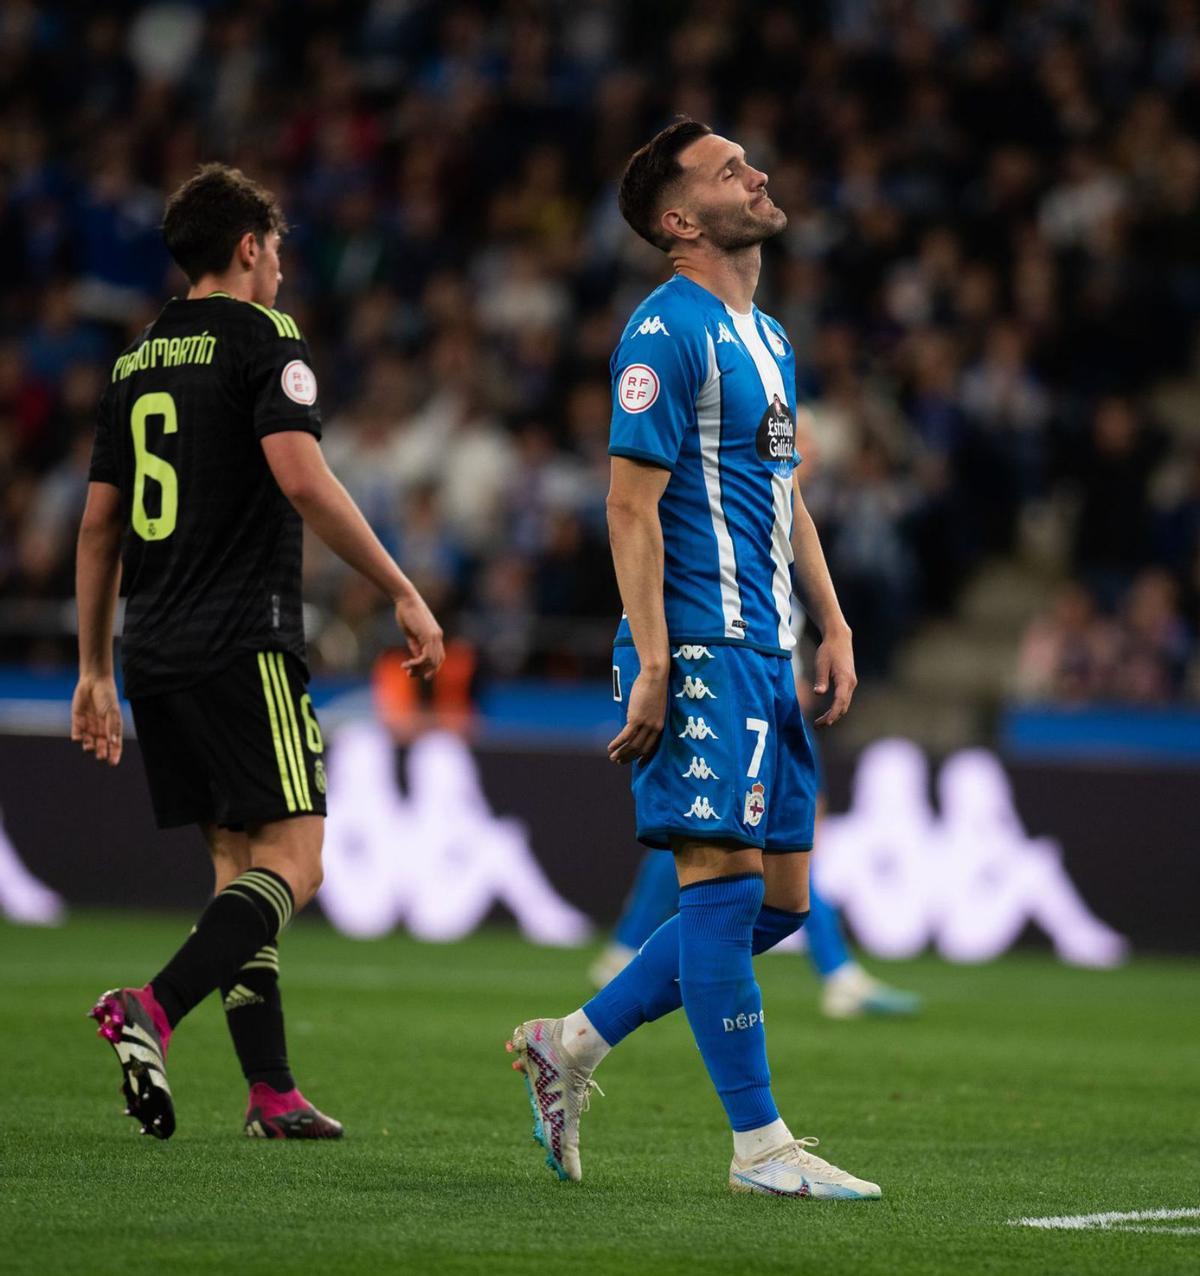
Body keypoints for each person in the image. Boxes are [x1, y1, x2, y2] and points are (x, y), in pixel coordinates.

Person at [507, 120, 879, 1199]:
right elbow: (630, 505)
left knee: (783, 904)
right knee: (718, 888)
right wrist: (657, 660)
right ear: (679, 221)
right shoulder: (661, 332)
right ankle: (761, 1149)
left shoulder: (768, 337)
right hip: (700, 642)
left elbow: (787, 492)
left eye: (750, 162)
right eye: (728, 172)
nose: (756, 175)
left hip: (770, 644)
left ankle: (568, 1043)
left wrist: (835, 619)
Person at [73, 164, 444, 1140]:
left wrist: (92, 667)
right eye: (275, 251)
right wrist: (401, 588)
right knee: (298, 861)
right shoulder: (265, 337)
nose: (280, 270)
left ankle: (270, 1089)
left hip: (153, 647)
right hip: (243, 639)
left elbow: (98, 526)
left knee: (239, 867)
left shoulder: (134, 361)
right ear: (248, 249)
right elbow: (306, 481)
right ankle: (149, 1009)